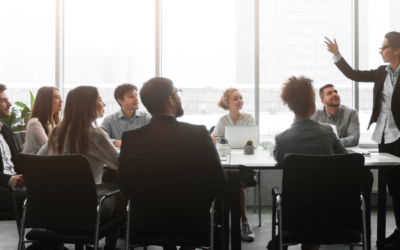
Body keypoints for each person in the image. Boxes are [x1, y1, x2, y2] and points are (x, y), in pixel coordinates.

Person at [118, 77, 227, 250]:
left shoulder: (130, 139)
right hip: (193, 222)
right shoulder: (198, 134)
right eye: (177, 93)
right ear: (170, 100)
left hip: (149, 222)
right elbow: (219, 181)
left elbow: (124, 184)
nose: (178, 97)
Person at [325, 32, 400, 249]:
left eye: (384, 47)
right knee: (393, 186)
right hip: (385, 135)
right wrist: (337, 55)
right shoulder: (380, 73)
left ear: (397, 49)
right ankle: (398, 230)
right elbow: (353, 74)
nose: (381, 50)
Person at [269, 76, 348, 250]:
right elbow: (345, 158)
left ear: (290, 107)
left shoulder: (282, 138)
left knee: (303, 200)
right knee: (317, 202)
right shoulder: (327, 132)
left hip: (295, 212)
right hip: (328, 209)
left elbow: (280, 159)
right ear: (313, 106)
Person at [38, 86, 122, 250]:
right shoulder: (95, 134)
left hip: (55, 208)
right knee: (119, 189)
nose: (103, 104)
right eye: (99, 99)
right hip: (88, 209)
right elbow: (121, 165)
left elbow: (39, 159)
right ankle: (110, 248)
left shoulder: (56, 133)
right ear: (88, 105)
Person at [212, 88, 256, 242]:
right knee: (229, 177)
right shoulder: (223, 121)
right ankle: (230, 221)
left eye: (241, 98)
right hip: (228, 163)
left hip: (245, 164)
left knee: (236, 179)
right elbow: (216, 139)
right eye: (235, 98)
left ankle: (243, 221)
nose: (240, 101)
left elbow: (252, 143)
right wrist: (214, 139)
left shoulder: (249, 118)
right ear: (227, 103)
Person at [0, 84, 25, 218]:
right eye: (3, 100)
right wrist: (9, 180)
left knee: (50, 191)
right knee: (42, 199)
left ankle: (43, 237)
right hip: (3, 188)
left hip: (14, 187)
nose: (9, 104)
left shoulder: (6, 130)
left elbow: (18, 162)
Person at [101, 83, 151, 148]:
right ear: (120, 101)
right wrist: (115, 142)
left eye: (136, 95)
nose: (136, 99)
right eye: (131, 96)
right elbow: (99, 138)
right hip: (118, 157)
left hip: (142, 156)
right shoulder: (109, 120)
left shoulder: (146, 118)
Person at [23, 86, 62, 154]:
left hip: (48, 163)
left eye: (60, 97)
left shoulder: (56, 121)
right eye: (56, 98)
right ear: (46, 101)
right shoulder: (34, 123)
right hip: (34, 163)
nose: (61, 101)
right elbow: (50, 150)